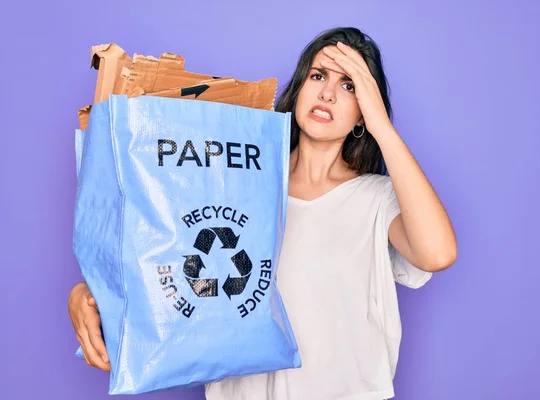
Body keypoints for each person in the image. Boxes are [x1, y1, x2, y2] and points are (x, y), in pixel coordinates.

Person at [68, 26, 457, 400]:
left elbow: (436, 254)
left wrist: (381, 126)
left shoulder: (378, 198)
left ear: (363, 112)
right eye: (319, 75)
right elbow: (167, 253)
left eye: (350, 85)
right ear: (299, 86)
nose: (328, 94)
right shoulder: (237, 182)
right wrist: (89, 291)